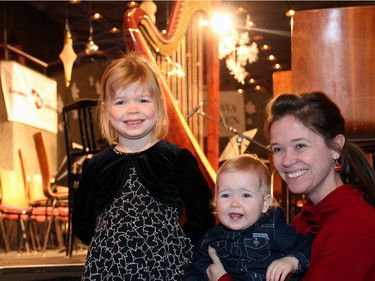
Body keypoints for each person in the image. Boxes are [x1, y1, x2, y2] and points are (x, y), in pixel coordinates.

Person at [72, 52, 216, 280]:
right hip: (109, 269)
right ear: (107, 110)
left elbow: (203, 215)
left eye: (143, 100)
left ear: (158, 106)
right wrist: (110, 245)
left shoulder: (177, 158)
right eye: (121, 101)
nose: (132, 109)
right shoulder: (96, 165)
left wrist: (177, 243)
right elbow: (81, 222)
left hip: (167, 266)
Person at [206, 91, 375, 281]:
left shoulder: (358, 223)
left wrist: (222, 279)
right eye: (278, 149)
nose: (286, 161)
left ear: (336, 147)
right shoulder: (302, 222)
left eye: (300, 146)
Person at [185, 154, 312, 281]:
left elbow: (307, 246)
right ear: (216, 201)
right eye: (226, 195)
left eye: (245, 195)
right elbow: (195, 272)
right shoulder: (211, 239)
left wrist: (291, 260)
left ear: (265, 204)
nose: (234, 203)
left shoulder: (273, 228)